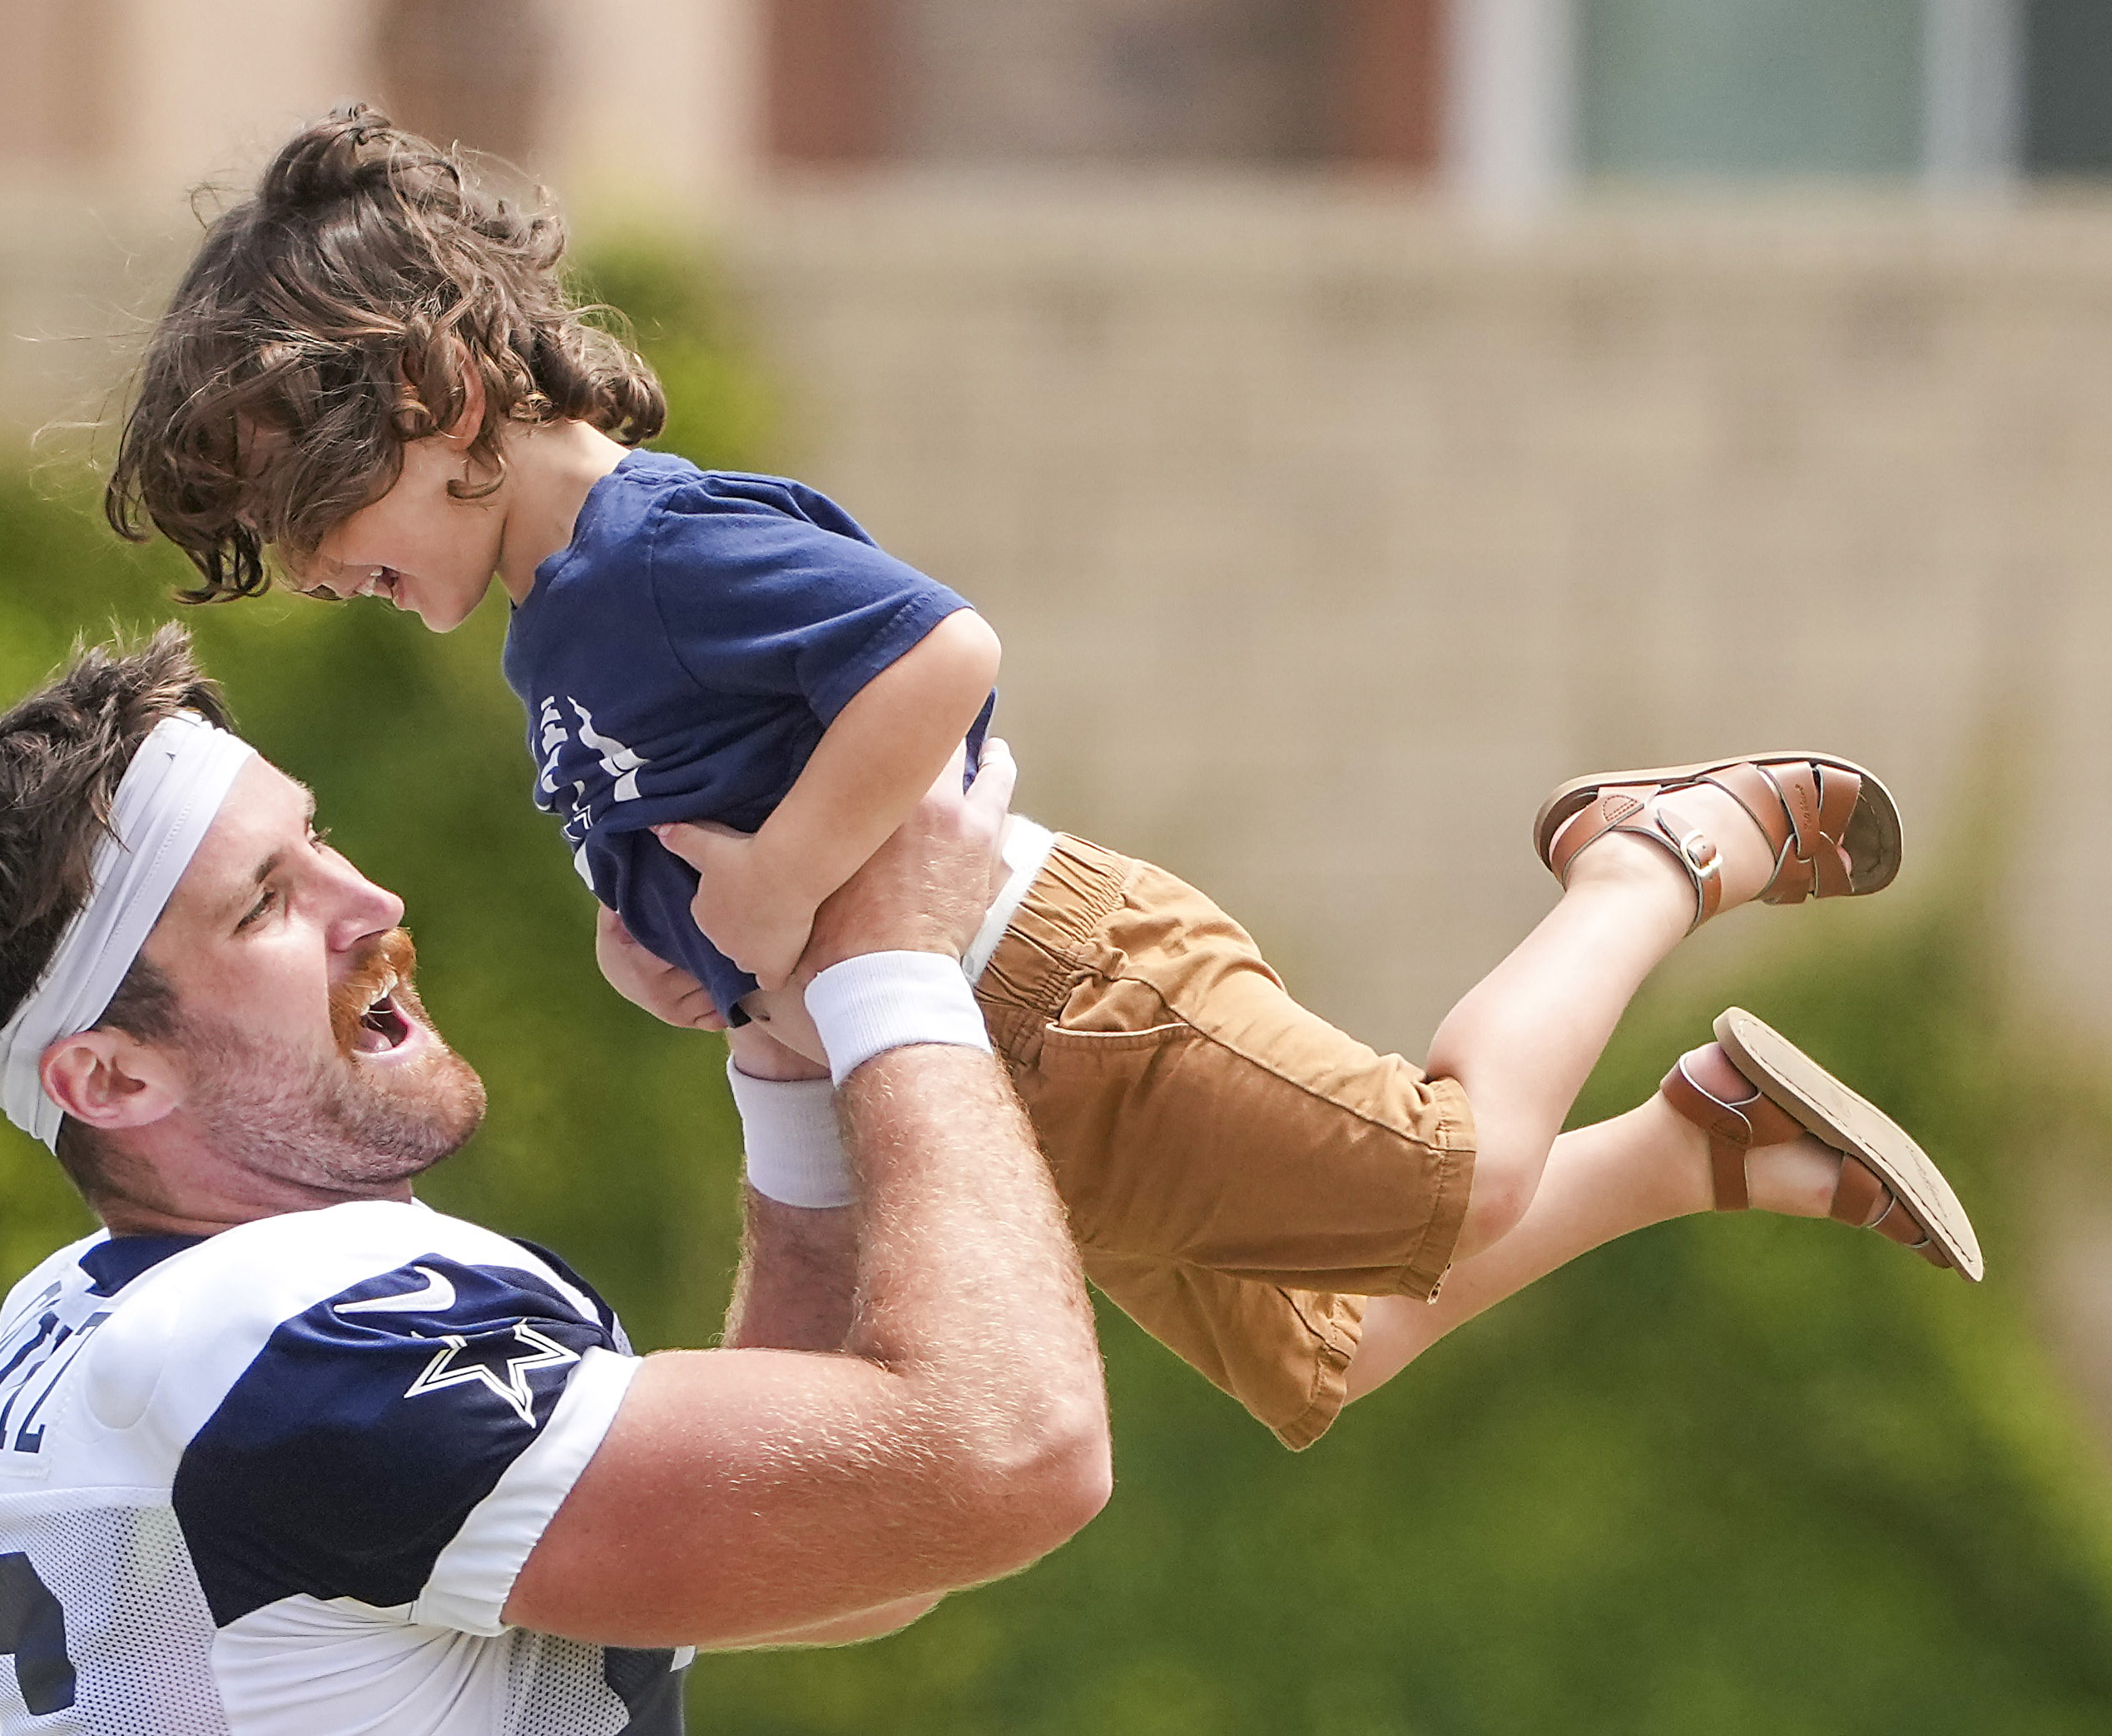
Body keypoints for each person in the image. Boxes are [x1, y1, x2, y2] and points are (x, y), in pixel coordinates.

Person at [103, 108, 1985, 1452]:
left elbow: (938, 656)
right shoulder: (552, 627)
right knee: (1316, 1361)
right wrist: (660, 948)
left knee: (1460, 1170)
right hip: (973, 1073)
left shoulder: (644, 550)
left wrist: (780, 887)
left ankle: (1654, 850)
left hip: (1059, 989)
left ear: (435, 390)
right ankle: (1700, 1140)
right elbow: (688, 848)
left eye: (309, 511)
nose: (318, 569)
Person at [0, 627, 1110, 1735]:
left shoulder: (107, 1317)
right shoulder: (304, 1348)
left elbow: (851, 1551)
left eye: (315, 838)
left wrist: (779, 1063)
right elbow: (1012, 1452)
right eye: (267, 902)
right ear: (109, 1077)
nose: (368, 900)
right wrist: (896, 966)